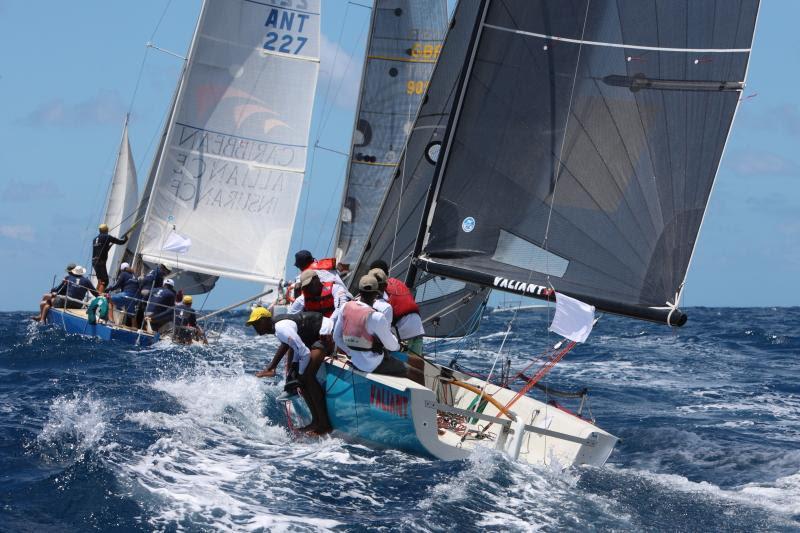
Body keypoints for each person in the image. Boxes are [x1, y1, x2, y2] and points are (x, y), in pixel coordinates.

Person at [246, 306, 333, 435]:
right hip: (312, 336)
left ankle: (325, 425)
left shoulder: (281, 329)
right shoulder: (277, 328)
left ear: (266, 319)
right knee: (300, 379)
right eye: (253, 324)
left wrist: (301, 374)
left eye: (257, 323)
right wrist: (274, 367)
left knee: (306, 378)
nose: (256, 327)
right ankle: (316, 421)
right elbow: (288, 344)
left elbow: (304, 352)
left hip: (325, 332)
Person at [333, 274, 425, 386]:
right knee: (417, 374)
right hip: (373, 365)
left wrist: (351, 352)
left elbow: (336, 337)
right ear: (376, 294)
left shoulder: (345, 307)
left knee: (415, 363)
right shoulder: (377, 317)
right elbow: (392, 346)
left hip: (355, 360)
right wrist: (399, 346)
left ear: (360, 292)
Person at [369, 260, 425, 357]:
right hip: (418, 331)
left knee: (400, 368)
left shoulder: (381, 290)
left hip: (404, 336)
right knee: (414, 367)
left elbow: (380, 314)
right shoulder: (399, 283)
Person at [91, 223, 128, 293]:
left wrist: (109, 245)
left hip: (94, 261)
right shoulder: (107, 237)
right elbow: (120, 242)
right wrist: (125, 239)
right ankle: (99, 297)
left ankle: (95, 296)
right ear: (107, 230)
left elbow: (101, 249)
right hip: (100, 262)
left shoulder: (95, 239)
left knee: (100, 280)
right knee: (105, 281)